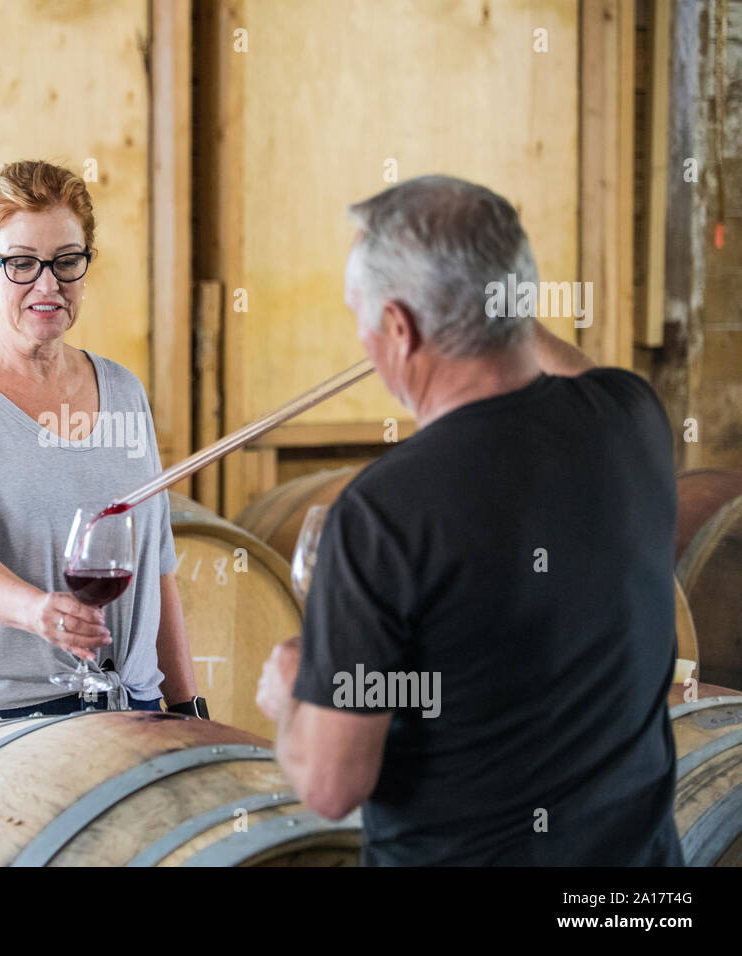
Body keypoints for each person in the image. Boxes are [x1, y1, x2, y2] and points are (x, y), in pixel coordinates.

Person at [256, 175, 683, 866]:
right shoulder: (635, 420)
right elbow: (577, 376)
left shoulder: (382, 512)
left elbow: (332, 786)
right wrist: (487, 286)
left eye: (360, 316)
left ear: (399, 329)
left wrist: (292, 703)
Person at [0, 160, 202, 750]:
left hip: (128, 713)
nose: (48, 286)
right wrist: (38, 612)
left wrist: (186, 704)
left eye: (67, 261)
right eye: (21, 264)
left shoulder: (123, 391)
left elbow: (157, 568)